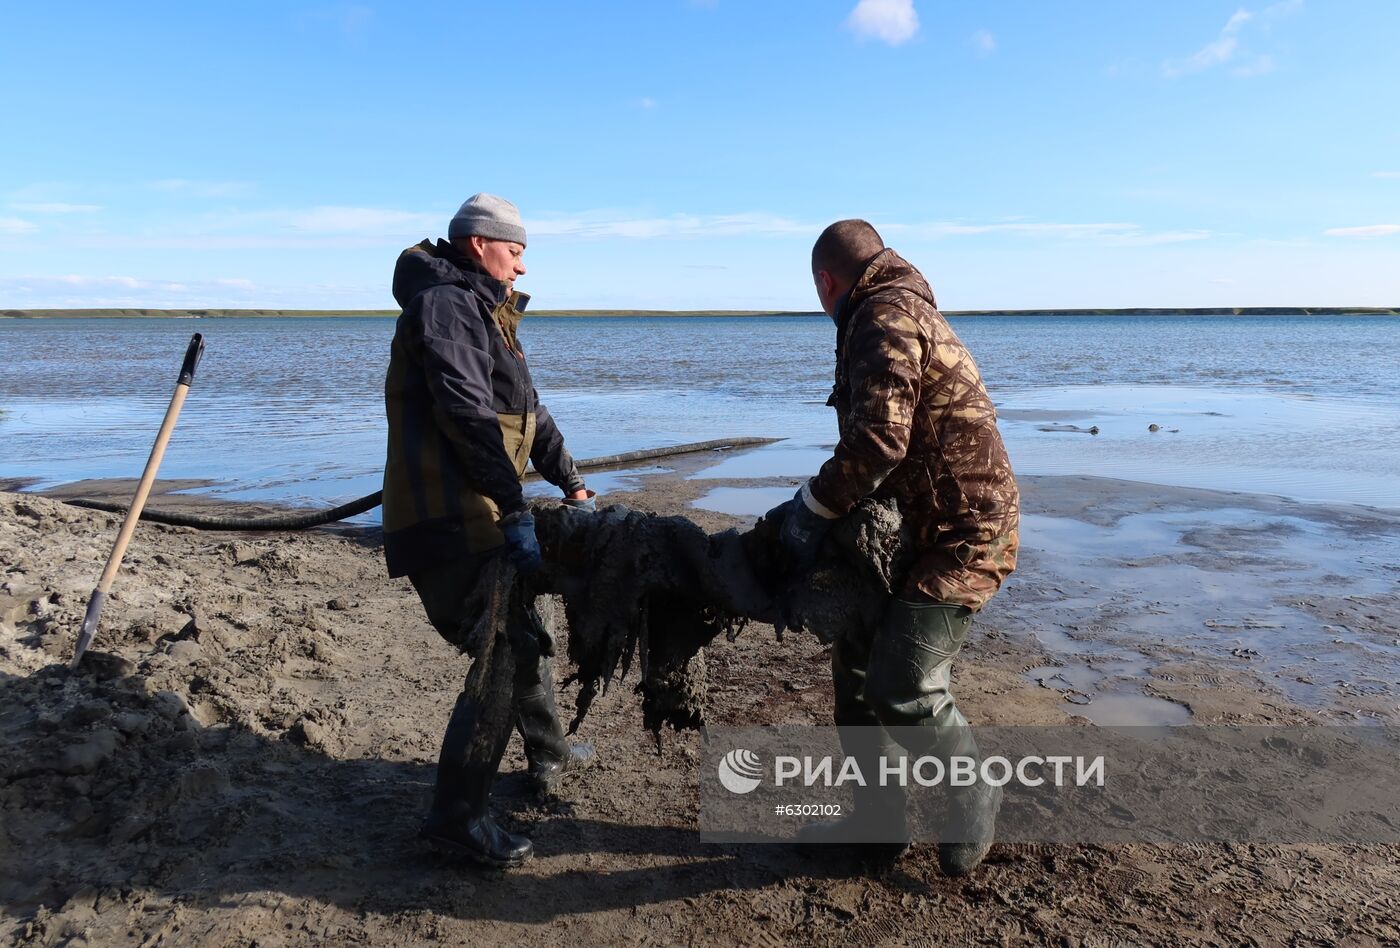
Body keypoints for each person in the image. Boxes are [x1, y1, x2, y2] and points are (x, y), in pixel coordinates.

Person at [776, 219, 1020, 877]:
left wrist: (810, 509)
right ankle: (878, 824)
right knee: (855, 671)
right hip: (919, 527)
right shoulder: (897, 307)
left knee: (903, 684)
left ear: (826, 281)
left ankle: (977, 791)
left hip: (965, 534)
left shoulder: (883, 317)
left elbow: (878, 443)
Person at [382, 193, 596, 868]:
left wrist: (571, 482)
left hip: (479, 508)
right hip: (447, 517)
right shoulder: (445, 307)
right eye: (515, 250)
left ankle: (549, 754)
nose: (522, 266)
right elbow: (469, 417)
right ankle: (456, 818)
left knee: (529, 627)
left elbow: (529, 411)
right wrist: (515, 508)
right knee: (506, 646)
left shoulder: (486, 309)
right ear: (478, 244)